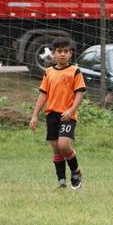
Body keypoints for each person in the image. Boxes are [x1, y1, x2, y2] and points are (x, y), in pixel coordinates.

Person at [29, 37, 87, 189]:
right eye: (59, 51)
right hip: (52, 115)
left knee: (64, 145)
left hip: (67, 115)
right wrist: (35, 115)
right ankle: (61, 183)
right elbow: (43, 94)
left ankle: (76, 171)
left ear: (70, 54)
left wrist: (71, 110)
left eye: (65, 51)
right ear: (53, 54)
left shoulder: (74, 71)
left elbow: (80, 93)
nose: (62, 54)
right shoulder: (48, 72)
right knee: (56, 148)